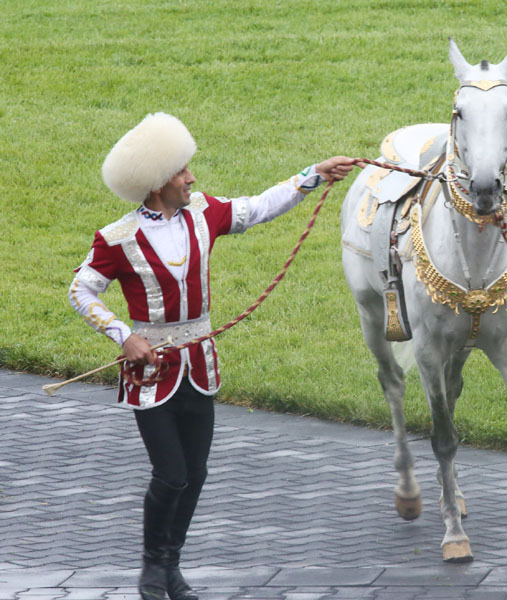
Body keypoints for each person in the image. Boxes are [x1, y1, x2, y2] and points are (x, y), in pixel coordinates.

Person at [68, 112, 357, 599]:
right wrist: (124, 336)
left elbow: (259, 207)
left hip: (199, 369)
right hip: (151, 375)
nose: (191, 178)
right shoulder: (116, 238)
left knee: (195, 476)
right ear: (157, 184)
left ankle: (170, 569)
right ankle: (152, 568)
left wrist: (315, 174)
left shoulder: (205, 213)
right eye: (182, 171)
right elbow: (81, 290)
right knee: (171, 475)